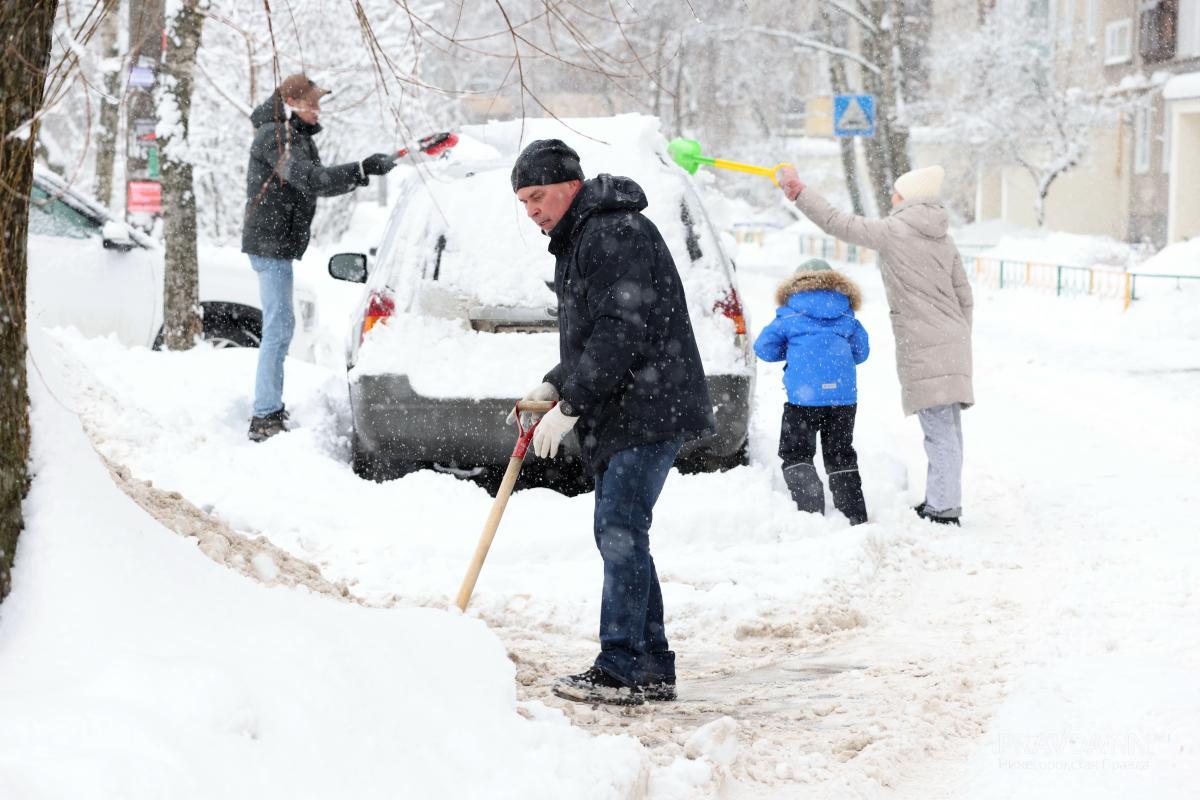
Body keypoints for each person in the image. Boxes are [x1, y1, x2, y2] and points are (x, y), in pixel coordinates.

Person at [510, 139, 714, 706]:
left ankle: (622, 665)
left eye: (538, 197)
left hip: (647, 406)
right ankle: (649, 665)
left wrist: (570, 406)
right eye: (524, 203)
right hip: (632, 406)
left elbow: (621, 331)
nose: (533, 211)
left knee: (620, 530)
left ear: (569, 186)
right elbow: (592, 333)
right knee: (623, 532)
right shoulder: (583, 235)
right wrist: (555, 382)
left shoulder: (610, 232)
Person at [777, 165, 973, 526]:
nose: (892, 198)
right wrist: (957, 336)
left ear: (908, 199)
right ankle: (941, 499)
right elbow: (965, 296)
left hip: (926, 341)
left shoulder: (894, 232)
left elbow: (837, 222)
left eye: (897, 192)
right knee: (948, 428)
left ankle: (944, 509)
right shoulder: (944, 238)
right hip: (951, 337)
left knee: (939, 430)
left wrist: (800, 192)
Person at [241, 73, 396, 442]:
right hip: (269, 245)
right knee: (278, 330)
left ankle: (267, 409)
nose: (318, 110)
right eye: (313, 104)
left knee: (281, 327)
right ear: (292, 105)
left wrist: (361, 172)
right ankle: (264, 415)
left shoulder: (293, 138)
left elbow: (318, 182)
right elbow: (310, 179)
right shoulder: (274, 137)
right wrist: (360, 169)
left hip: (276, 245)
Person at [753, 258, 870, 525]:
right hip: (842, 398)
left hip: (803, 398)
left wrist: (793, 351)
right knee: (840, 453)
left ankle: (810, 513)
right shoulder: (846, 314)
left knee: (797, 453)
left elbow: (763, 348)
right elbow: (862, 353)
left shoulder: (789, 313)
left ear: (796, 283)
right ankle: (853, 516)